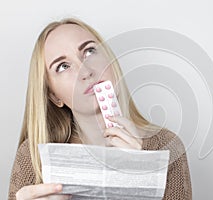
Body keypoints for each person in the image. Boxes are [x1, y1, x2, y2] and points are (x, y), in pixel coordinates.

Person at [8, 17, 192, 200]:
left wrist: (140, 179)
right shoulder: (32, 157)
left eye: (89, 51)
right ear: (55, 96)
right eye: (63, 66)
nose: (85, 71)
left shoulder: (165, 147)